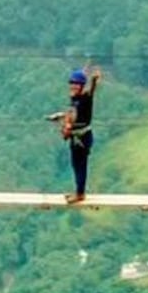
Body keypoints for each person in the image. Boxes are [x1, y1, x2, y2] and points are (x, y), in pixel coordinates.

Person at [48, 66, 101, 202]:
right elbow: (72, 114)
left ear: (82, 86)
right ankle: (78, 191)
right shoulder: (75, 98)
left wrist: (94, 80)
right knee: (76, 165)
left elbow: (91, 91)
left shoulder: (85, 97)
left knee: (80, 164)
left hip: (82, 137)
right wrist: (60, 116)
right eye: (72, 83)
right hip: (76, 137)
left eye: (76, 84)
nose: (73, 86)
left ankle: (80, 193)